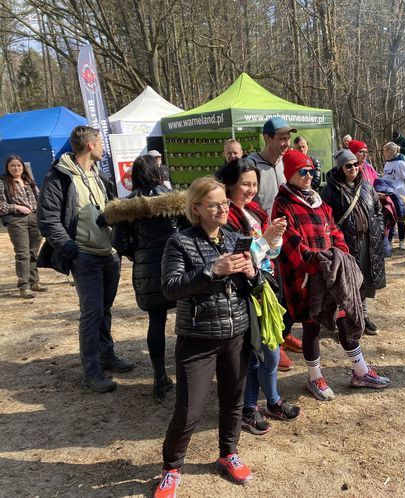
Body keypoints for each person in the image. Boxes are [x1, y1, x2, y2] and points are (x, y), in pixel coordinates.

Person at [154, 177, 262, 497]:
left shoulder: (235, 238)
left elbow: (255, 288)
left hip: (236, 334)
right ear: (196, 208)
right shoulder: (180, 242)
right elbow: (170, 287)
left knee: (233, 401)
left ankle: (228, 453)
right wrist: (211, 271)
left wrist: (252, 274)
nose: (222, 209)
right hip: (198, 338)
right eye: (214, 204)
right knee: (189, 409)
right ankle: (171, 469)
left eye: (225, 203)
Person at [272, 149, 390, 401]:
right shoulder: (283, 203)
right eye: (301, 172)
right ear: (290, 174)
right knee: (312, 327)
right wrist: (315, 261)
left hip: (332, 272)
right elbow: (290, 242)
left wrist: (341, 252)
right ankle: (314, 377)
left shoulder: (316, 198)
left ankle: (360, 371)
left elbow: (333, 227)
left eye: (310, 171)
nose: (307, 175)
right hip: (306, 277)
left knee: (345, 319)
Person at [37, 126, 134, 393]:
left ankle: (107, 356)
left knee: (104, 309)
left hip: (108, 254)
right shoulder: (59, 176)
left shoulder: (99, 175)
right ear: (90, 145)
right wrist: (71, 249)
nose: (103, 147)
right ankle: (92, 371)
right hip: (84, 255)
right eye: (101, 142)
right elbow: (47, 219)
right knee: (91, 313)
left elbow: (109, 209)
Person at [218, 159, 301, 436]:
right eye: (245, 184)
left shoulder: (254, 210)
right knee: (254, 353)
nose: (251, 190)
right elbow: (241, 255)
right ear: (229, 185)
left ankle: (273, 400)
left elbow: (269, 254)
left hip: (265, 286)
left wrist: (274, 237)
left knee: (272, 350)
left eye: (254, 184)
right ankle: (249, 409)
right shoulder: (225, 217)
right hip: (244, 292)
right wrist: (265, 239)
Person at [104, 155, 187, 399]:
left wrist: (138, 255)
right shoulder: (176, 201)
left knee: (156, 321)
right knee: (185, 322)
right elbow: (188, 233)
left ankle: (159, 376)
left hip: (147, 272)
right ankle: (187, 373)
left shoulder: (128, 207)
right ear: (159, 172)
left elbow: (119, 241)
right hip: (179, 267)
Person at [245, 117, 302, 370]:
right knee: (271, 292)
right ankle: (275, 341)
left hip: (287, 238)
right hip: (262, 243)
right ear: (266, 138)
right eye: (280, 138)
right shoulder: (251, 165)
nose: (285, 143)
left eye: (288, 138)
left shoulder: (285, 163)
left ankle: (285, 332)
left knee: (291, 290)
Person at [321, 149, 386, 335]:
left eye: (355, 164)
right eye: (348, 165)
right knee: (348, 283)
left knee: (364, 280)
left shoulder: (366, 186)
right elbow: (326, 219)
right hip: (346, 244)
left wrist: (379, 231)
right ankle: (347, 319)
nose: (353, 168)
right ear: (340, 168)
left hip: (368, 242)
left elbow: (378, 211)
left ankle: (363, 316)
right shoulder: (330, 191)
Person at [0, 155, 46, 298]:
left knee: (33, 252)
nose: (16, 168)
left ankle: (34, 282)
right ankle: (23, 286)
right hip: (16, 220)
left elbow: (40, 200)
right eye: (12, 166)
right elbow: (1, 205)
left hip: (34, 218)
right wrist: (17, 207)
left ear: (23, 167)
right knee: (22, 254)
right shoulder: (3, 183)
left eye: (19, 165)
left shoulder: (28, 181)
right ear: (7, 168)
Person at [382, 141, 405, 250]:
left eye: (385, 151)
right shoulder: (387, 163)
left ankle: (402, 241)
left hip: (400, 195)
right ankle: (389, 241)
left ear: (390, 151)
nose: (383, 153)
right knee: (390, 218)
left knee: (401, 218)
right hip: (390, 194)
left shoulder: (400, 163)